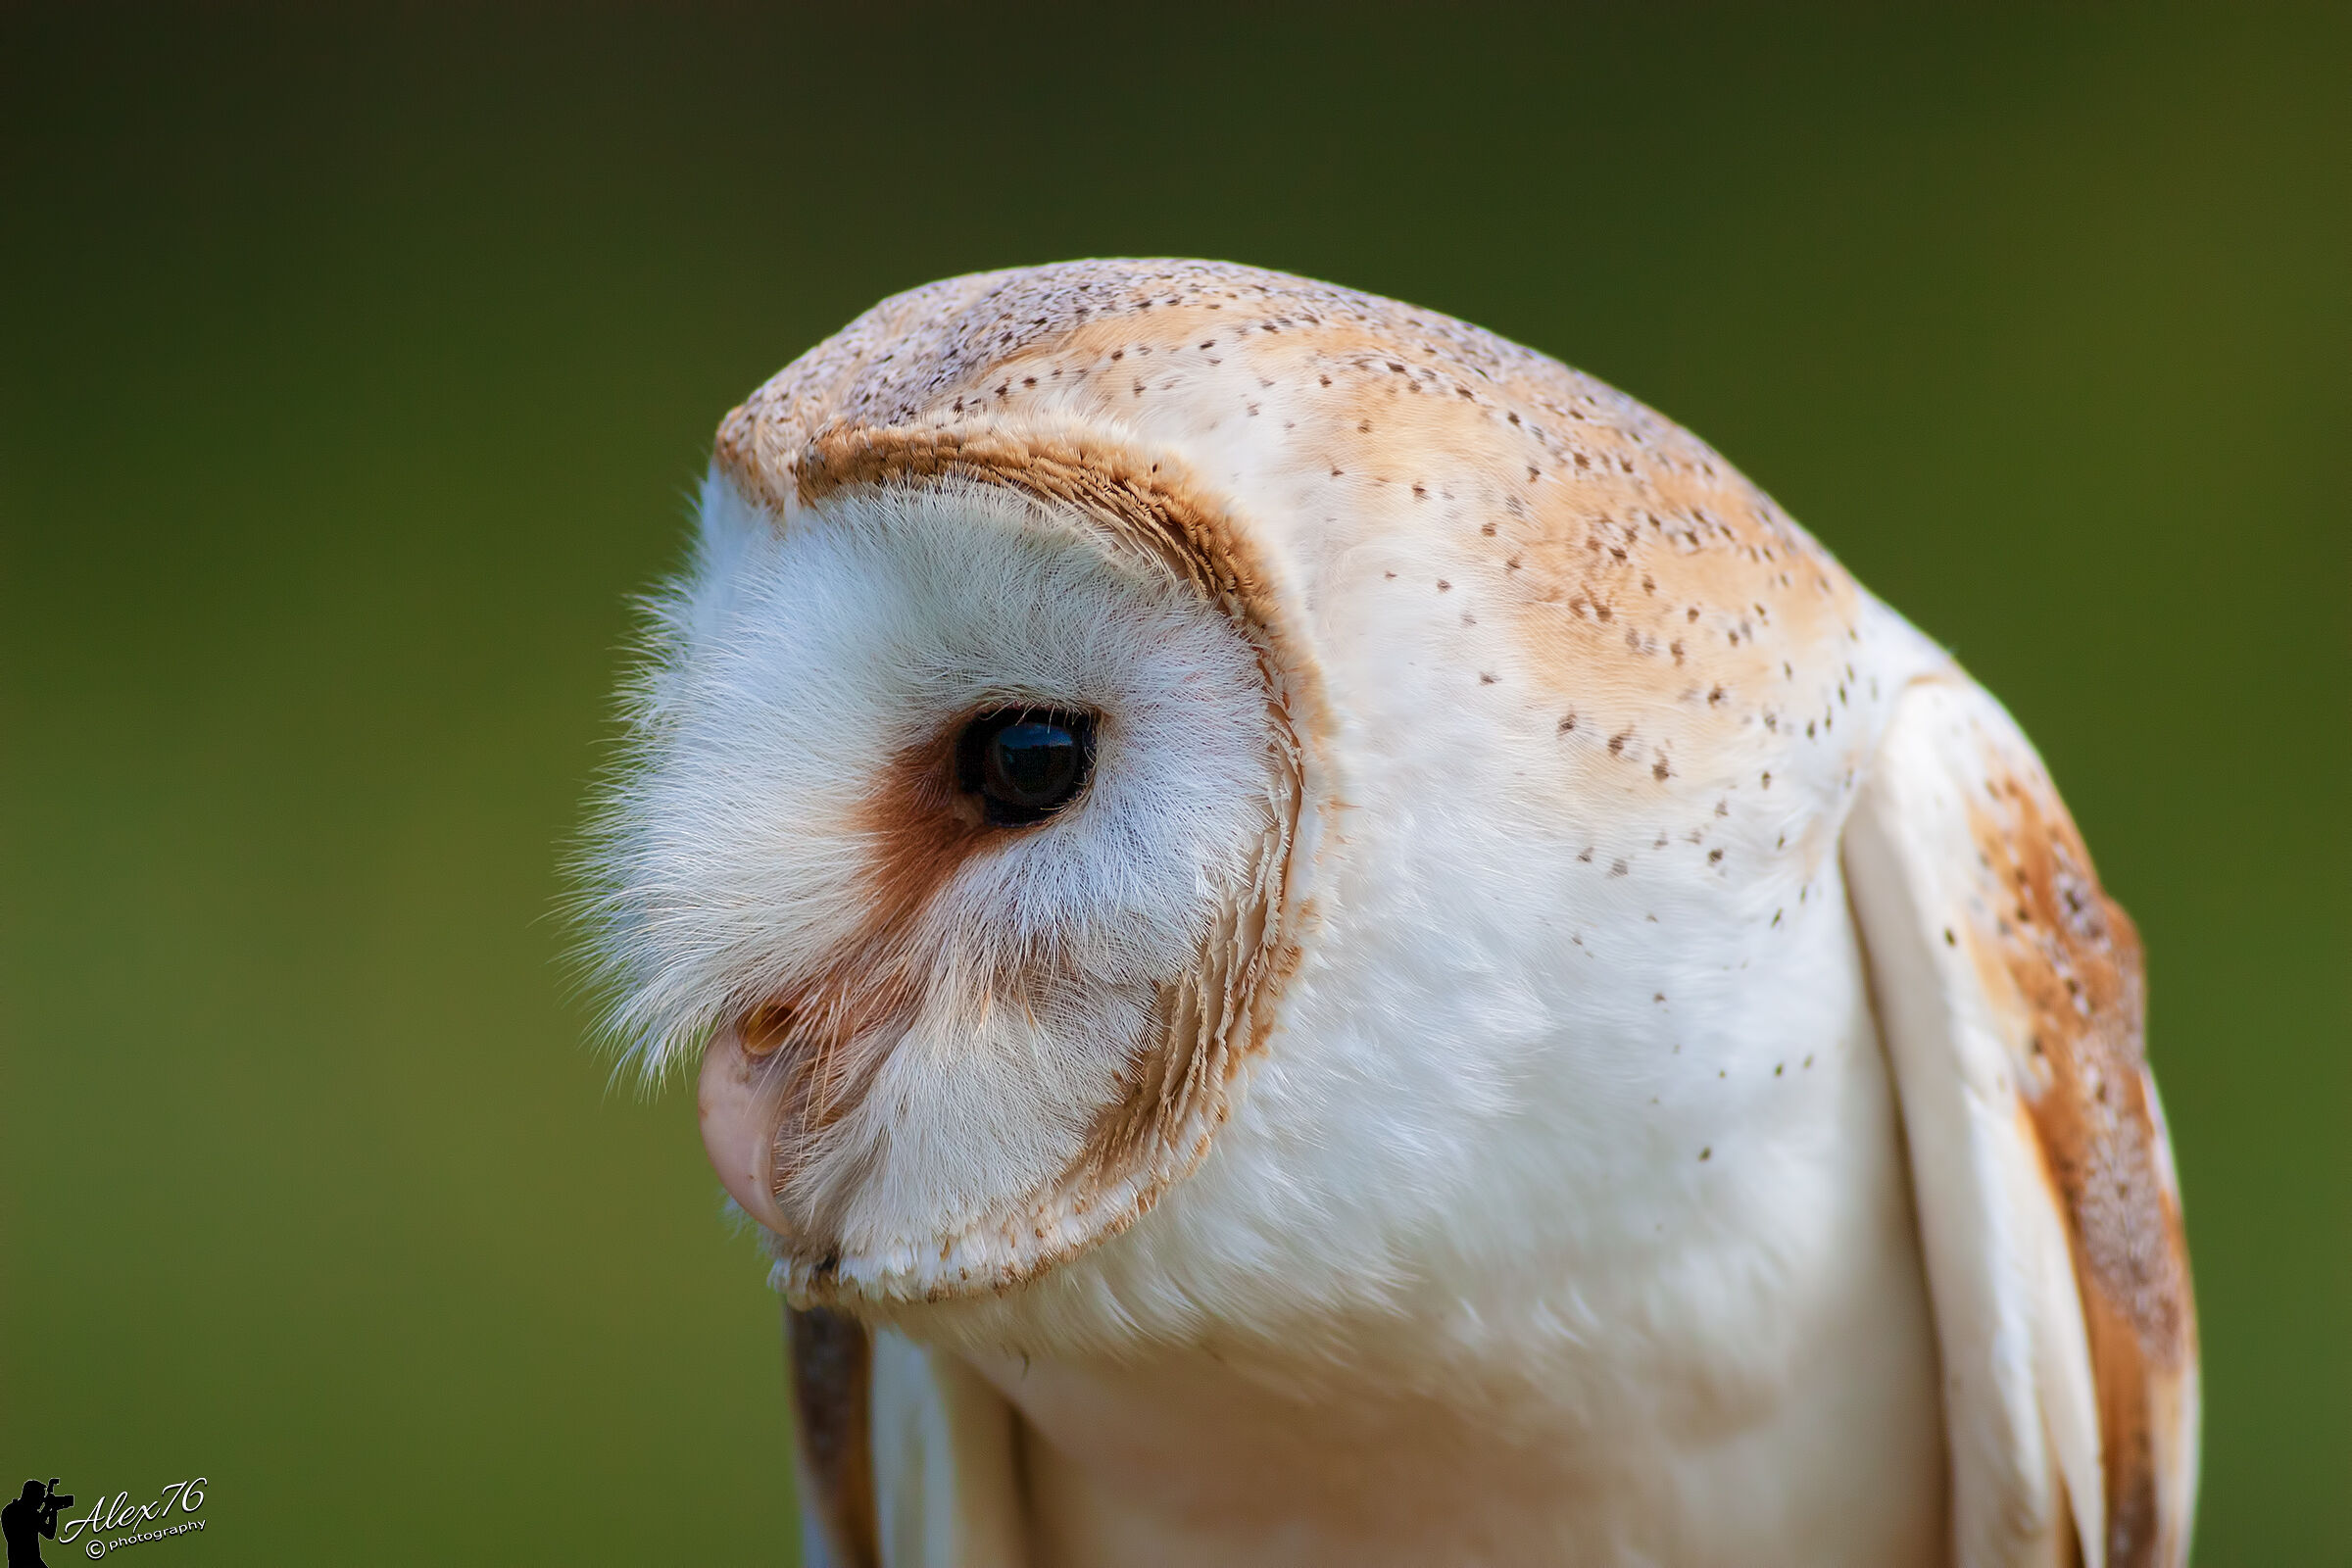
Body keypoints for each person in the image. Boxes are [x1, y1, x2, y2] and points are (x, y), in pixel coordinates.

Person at [2, 1480, 65, 1568]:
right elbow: (47, 1532)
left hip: (20, 1562)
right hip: (28, 1562)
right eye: (41, 1497)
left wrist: (50, 1509)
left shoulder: (10, 1509)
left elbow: (42, 1527)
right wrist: (52, 1509)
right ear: (32, 1496)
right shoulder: (20, 1512)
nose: (43, 1501)